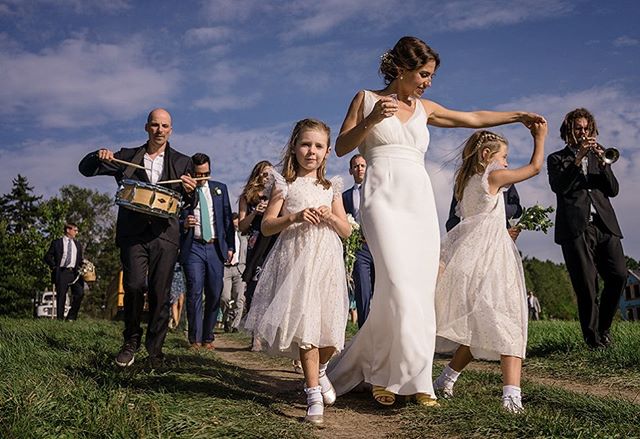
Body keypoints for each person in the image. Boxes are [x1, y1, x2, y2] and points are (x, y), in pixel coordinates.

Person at [327, 36, 545, 407]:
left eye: (431, 76)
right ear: (401, 70)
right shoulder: (365, 98)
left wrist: (518, 116)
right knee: (395, 282)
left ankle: (417, 380)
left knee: (418, 289)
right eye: (423, 74)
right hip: (382, 196)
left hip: (418, 200)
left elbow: (472, 118)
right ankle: (384, 375)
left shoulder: (425, 108)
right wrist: (372, 120)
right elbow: (343, 146)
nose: (428, 82)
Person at [244, 119, 351, 425]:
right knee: (307, 329)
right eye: (306, 144)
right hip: (296, 260)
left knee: (331, 333)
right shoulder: (284, 184)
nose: (311, 151)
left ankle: (319, 370)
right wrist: (294, 216)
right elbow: (266, 225)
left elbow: (344, 230)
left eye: (318, 146)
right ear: (294, 147)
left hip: (326, 261)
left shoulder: (332, 187)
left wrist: (330, 216)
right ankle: (313, 396)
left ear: (328, 151)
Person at [433, 124, 547, 414]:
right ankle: (511, 397)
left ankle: (446, 379)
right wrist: (539, 137)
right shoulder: (493, 177)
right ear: (487, 155)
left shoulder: (466, 181)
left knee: (479, 326)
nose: (507, 163)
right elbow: (534, 168)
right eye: (504, 156)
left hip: (472, 259)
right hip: (493, 260)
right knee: (511, 322)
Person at [78, 108, 196, 367]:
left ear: (171, 130)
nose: (160, 130)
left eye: (165, 126)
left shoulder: (183, 162)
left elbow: (189, 200)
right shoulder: (127, 156)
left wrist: (190, 190)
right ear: (146, 127)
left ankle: (155, 352)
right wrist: (98, 154)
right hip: (133, 234)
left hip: (165, 235)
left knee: (159, 293)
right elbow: (85, 169)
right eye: (155, 125)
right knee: (132, 286)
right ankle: (131, 340)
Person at [547, 108, 626, 348]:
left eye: (586, 129)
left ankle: (603, 329)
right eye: (578, 128)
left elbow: (613, 190)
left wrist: (603, 165)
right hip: (576, 228)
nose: (583, 133)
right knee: (587, 285)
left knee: (619, 275)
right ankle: (593, 341)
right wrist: (578, 159)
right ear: (568, 131)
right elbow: (559, 187)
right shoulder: (556, 159)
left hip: (604, 224)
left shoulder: (599, 156)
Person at [179, 153, 235, 350]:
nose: (202, 178)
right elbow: (172, 217)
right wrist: (183, 223)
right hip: (193, 246)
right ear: (190, 173)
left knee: (215, 292)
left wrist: (230, 247)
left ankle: (208, 337)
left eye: (206, 174)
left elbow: (228, 219)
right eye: (198, 174)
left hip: (215, 247)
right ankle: (195, 339)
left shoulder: (221, 189)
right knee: (194, 291)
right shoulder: (181, 190)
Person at [342, 154, 375, 327]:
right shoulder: (345, 196)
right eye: (355, 166)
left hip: (380, 246)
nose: (359, 169)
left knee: (381, 290)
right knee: (362, 290)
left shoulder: (379, 191)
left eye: (362, 165)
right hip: (359, 248)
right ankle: (363, 331)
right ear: (350, 170)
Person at [446, 185, 523, 240]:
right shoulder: (462, 183)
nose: (506, 164)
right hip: (471, 241)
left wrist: (498, 209)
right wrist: (459, 240)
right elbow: (453, 220)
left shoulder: (506, 180)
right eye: (504, 160)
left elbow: (518, 210)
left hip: (501, 237)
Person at [43, 222, 85, 321]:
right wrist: (54, 266)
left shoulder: (78, 245)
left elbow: (79, 260)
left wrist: (84, 265)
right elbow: (47, 256)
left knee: (80, 293)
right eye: (75, 230)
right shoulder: (57, 243)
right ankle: (60, 320)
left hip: (75, 273)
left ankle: (71, 317)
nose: (76, 232)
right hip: (62, 272)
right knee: (61, 296)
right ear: (68, 230)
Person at [220, 212, 248, 333]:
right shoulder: (224, 236)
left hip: (239, 268)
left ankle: (235, 325)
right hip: (225, 268)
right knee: (224, 297)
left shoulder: (243, 236)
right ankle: (227, 318)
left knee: (239, 298)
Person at [169, 263, 186, 330]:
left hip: (181, 276)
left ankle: (178, 321)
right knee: (174, 302)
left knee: (181, 301)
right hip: (173, 277)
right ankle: (176, 323)